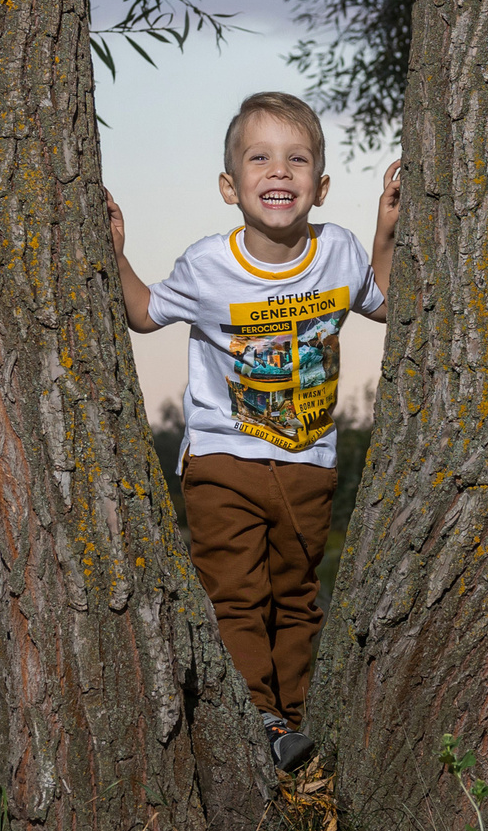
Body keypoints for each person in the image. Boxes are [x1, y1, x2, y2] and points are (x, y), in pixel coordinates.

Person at [104, 93, 401, 772]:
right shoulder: (211, 263)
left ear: (320, 186)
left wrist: (383, 234)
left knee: (296, 596)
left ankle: (293, 719)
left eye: (297, 158)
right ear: (230, 185)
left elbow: (386, 303)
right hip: (224, 462)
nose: (280, 170)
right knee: (235, 594)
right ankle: (258, 714)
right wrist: (116, 254)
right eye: (260, 157)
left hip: (310, 462)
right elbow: (145, 312)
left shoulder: (339, 252)